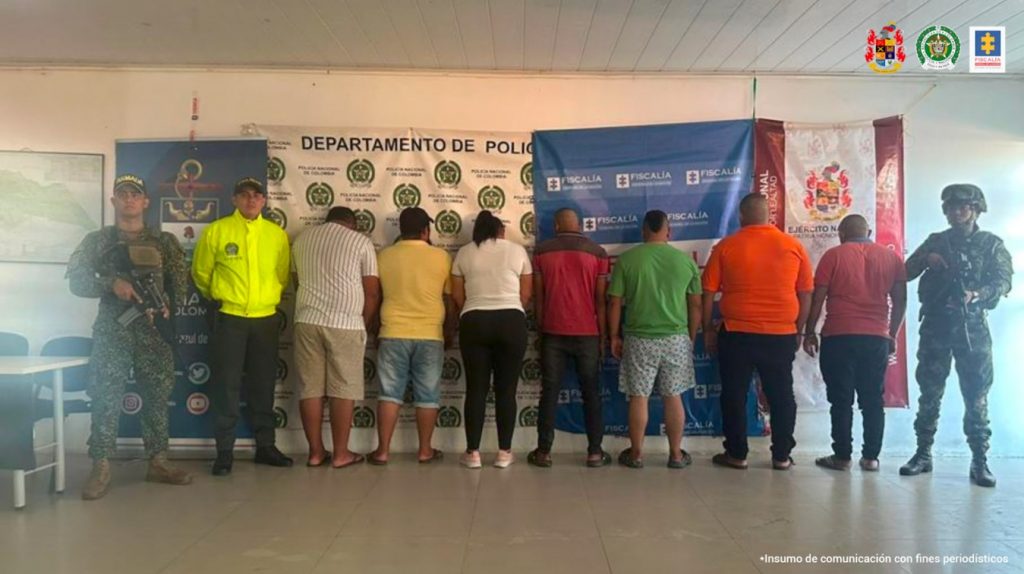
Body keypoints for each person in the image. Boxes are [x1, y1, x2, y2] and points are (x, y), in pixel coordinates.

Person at [68, 174, 192, 500]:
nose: (129, 200)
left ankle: (158, 461)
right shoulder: (98, 240)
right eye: (122, 194)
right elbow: (77, 281)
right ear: (113, 201)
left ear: (145, 201)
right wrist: (111, 284)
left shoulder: (165, 242)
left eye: (135, 194)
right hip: (113, 329)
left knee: (156, 395)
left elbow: (181, 284)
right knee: (106, 395)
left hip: (154, 330)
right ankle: (101, 465)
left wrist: (167, 308)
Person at [900, 184, 1013, 487]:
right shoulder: (937, 241)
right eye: (950, 207)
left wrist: (977, 294)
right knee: (930, 392)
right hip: (937, 326)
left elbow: (1003, 281)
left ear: (976, 210)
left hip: (972, 328)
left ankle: (980, 460)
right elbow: (905, 271)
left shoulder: (991, 244)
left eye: (962, 207)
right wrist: (928, 259)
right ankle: (923, 453)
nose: (955, 212)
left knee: (976, 395)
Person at [703, 193, 813, 471]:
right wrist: (798, 329)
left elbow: (707, 293)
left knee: (734, 395)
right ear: (769, 216)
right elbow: (806, 293)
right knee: (781, 396)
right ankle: (782, 456)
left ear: (741, 216)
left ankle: (737, 455)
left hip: (737, 332)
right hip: (781, 334)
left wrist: (707, 329)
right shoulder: (792, 245)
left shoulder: (726, 246)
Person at [192, 177, 292, 475]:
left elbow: (282, 275)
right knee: (227, 386)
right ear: (235, 199)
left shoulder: (276, 235)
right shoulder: (217, 231)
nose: (251, 200)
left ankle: (265, 446)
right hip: (230, 318)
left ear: (264, 201)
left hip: (265, 319)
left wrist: (262, 300)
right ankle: (224, 452)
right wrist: (226, 299)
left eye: (257, 195)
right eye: (245, 195)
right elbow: (201, 274)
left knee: (262, 385)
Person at [802, 214, 907, 472]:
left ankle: (842, 457)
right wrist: (891, 334)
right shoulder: (891, 258)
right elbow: (901, 299)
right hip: (875, 337)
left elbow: (818, 298)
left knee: (841, 399)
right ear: (869, 231)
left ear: (841, 234)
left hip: (838, 335)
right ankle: (871, 458)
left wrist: (809, 331)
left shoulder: (833, 256)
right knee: (872, 398)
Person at [607, 210, 701, 470]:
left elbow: (614, 302)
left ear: (643, 230)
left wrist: (614, 335)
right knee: (673, 397)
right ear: (668, 231)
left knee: (638, 397)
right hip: (676, 338)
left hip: (638, 338)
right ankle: (675, 455)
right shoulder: (686, 262)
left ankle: (636, 455)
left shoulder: (627, 261)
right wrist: (690, 337)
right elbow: (695, 306)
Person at [291, 206, 379, 469]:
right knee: (343, 388)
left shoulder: (302, 239)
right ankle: (341, 453)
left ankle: (316, 453)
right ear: (351, 223)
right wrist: (363, 323)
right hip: (346, 323)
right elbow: (372, 292)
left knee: (310, 388)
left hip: (306, 320)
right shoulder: (361, 242)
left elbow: (297, 283)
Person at [528, 208, 611, 468]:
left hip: (553, 331)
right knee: (591, 393)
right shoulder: (598, 253)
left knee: (549, 392)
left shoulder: (541, 252)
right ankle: (595, 452)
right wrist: (603, 336)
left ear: (555, 225)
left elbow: (539, 298)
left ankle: (543, 452)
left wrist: (541, 331)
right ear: (581, 227)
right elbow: (601, 300)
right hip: (587, 333)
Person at [370, 207, 453, 465]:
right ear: (426, 231)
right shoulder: (442, 257)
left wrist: (375, 330)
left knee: (389, 393)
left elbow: (376, 295)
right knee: (427, 395)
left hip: (392, 330)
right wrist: (449, 332)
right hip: (430, 333)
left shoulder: (384, 256)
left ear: (400, 230)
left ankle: (382, 451)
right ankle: (425, 450)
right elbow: (449, 300)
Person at [451, 211, 532, 469]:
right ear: (501, 231)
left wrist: (473, 311)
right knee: (506, 390)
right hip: (511, 320)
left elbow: (456, 296)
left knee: (476, 389)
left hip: (474, 321)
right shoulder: (518, 251)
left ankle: (473, 453)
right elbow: (525, 295)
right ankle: (504, 453)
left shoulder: (464, 252)